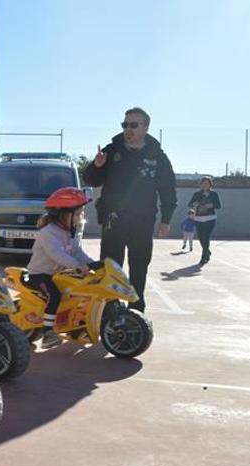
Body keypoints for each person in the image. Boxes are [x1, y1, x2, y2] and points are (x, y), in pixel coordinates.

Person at [84, 107, 177, 312]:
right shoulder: (112, 150)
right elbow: (90, 180)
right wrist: (97, 166)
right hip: (113, 220)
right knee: (110, 268)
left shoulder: (157, 156)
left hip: (142, 222)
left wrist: (166, 219)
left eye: (134, 125)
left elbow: (168, 190)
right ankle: (109, 311)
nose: (128, 129)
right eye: (125, 124)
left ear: (146, 127)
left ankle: (136, 310)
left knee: (139, 267)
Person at [25, 187, 99, 349]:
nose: (80, 217)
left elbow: (77, 252)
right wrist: (78, 266)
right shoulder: (48, 232)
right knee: (55, 295)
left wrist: (94, 264)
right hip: (40, 274)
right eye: (78, 214)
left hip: (58, 273)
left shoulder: (68, 231)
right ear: (66, 214)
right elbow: (57, 255)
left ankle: (75, 326)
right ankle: (48, 333)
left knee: (79, 290)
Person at [188, 176, 222, 265]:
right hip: (198, 218)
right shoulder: (197, 194)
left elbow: (218, 206)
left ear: (210, 185)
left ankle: (204, 257)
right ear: (200, 185)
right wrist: (197, 204)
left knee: (206, 237)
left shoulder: (214, 194)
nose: (205, 185)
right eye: (203, 183)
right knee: (200, 237)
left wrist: (210, 205)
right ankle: (207, 251)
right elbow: (190, 204)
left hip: (210, 218)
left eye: (207, 183)